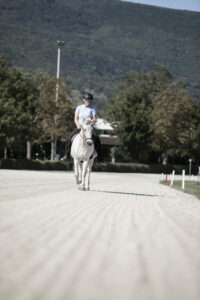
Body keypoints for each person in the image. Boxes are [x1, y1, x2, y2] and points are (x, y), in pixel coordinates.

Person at [65, 92, 103, 162]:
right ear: (84, 100)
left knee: (97, 139)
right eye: (88, 101)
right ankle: (66, 155)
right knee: (69, 138)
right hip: (80, 127)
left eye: (90, 101)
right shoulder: (79, 108)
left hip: (89, 128)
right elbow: (76, 118)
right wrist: (77, 125)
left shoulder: (92, 109)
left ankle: (100, 158)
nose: (89, 103)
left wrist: (92, 122)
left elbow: (94, 119)